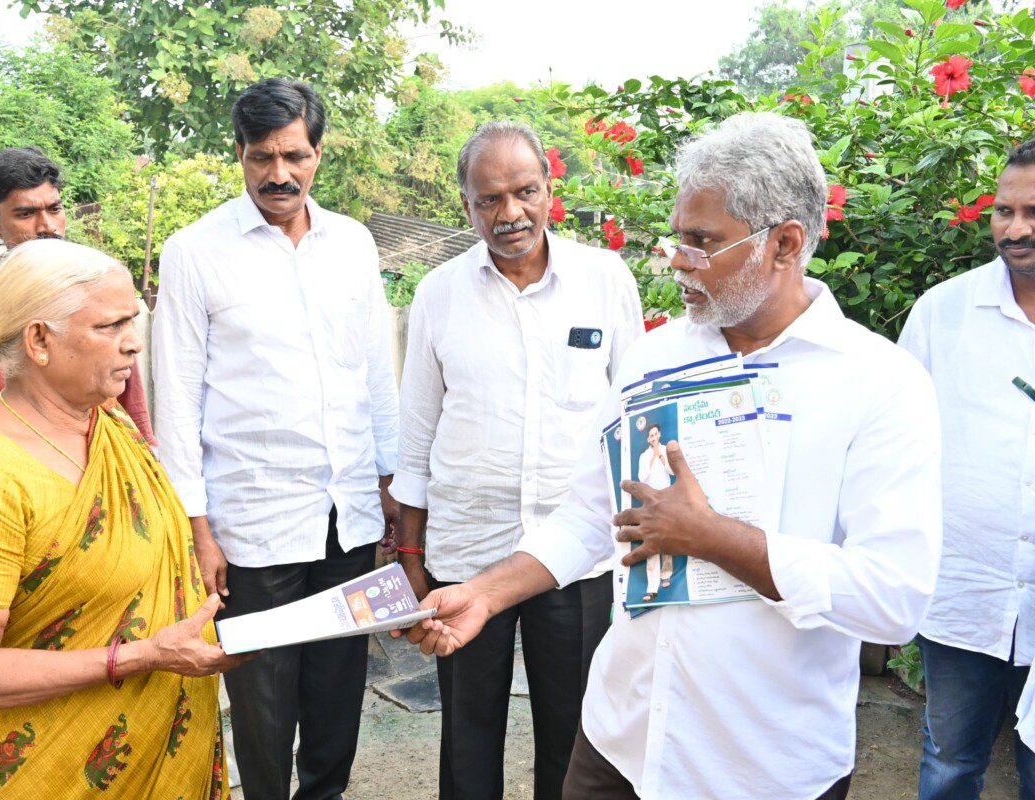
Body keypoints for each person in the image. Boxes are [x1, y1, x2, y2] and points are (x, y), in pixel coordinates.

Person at [398, 112, 942, 800]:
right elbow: (592, 516)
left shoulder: (879, 383)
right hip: (620, 742)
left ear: (785, 244)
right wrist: (481, 594)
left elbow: (893, 600)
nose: (674, 258)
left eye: (700, 241)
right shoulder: (658, 356)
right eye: (676, 236)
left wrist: (713, 538)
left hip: (759, 766)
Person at [0, 239, 252, 799]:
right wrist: (146, 655)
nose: (134, 343)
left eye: (133, 321)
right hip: (48, 772)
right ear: (40, 340)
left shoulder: (109, 424)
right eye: (110, 326)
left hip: (160, 751)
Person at [152, 78, 399, 800]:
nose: (279, 174)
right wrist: (199, 529)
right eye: (262, 157)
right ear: (239, 154)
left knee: (337, 697)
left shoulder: (352, 244)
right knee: (262, 705)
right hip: (253, 521)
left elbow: (375, 376)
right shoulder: (196, 251)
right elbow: (179, 401)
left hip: (346, 516)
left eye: (294, 155)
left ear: (318, 153)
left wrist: (387, 487)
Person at [390, 120, 644, 800]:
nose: (510, 214)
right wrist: (412, 562)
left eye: (525, 192)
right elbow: (415, 438)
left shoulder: (605, 278)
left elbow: (634, 416)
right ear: (466, 206)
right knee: (468, 734)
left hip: (578, 556)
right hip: (466, 552)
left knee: (574, 731)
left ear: (548, 189)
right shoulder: (438, 294)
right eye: (489, 200)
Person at [898, 137, 1035, 800]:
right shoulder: (943, 313)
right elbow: (893, 441)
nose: (1016, 229)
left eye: (1033, 211)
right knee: (951, 762)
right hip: (965, 588)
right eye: (1004, 211)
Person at [0, 147, 154, 455]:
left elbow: (131, 410)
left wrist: (146, 460)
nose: (47, 226)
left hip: (108, 477)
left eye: (54, 209)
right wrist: (39, 399)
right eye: (26, 214)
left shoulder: (102, 299)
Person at [636, 424, 674, 601]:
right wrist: (651, 459)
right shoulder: (644, 456)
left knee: (666, 539)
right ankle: (652, 587)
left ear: (659, 434)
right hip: (650, 502)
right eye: (650, 435)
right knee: (651, 541)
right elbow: (642, 478)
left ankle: (666, 575)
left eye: (655, 434)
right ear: (647, 439)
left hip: (666, 500)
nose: (653, 437)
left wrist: (661, 456)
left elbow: (672, 472)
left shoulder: (666, 450)